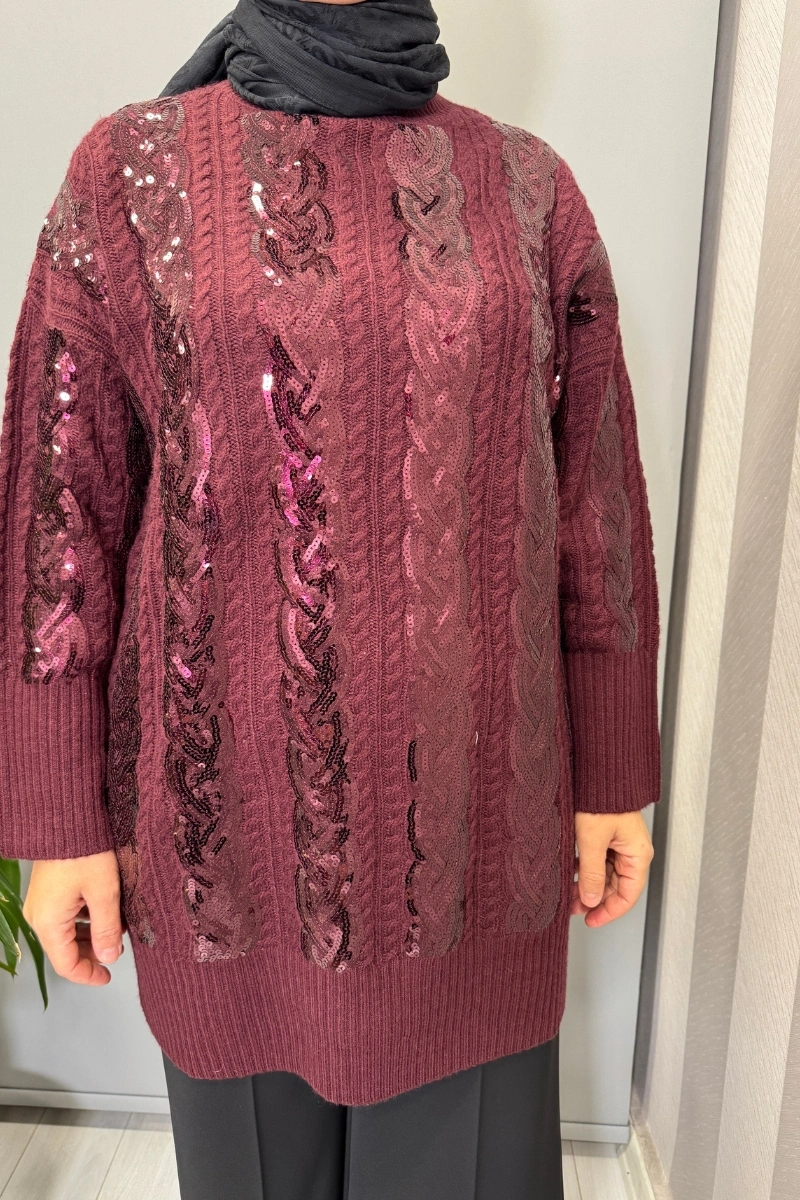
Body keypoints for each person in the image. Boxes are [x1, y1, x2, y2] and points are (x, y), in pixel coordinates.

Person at [0, 1, 660, 1197]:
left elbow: (592, 503)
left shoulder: (527, 188)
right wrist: (56, 819)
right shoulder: (131, 172)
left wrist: (613, 770)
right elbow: (63, 514)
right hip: (226, 858)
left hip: (477, 859)